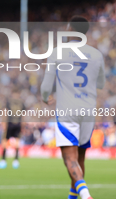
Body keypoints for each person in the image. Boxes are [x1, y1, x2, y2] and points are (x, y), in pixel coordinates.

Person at [41, 16, 105, 199]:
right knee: (80, 157)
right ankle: (73, 196)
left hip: (67, 110)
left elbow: (46, 86)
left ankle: (85, 195)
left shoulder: (58, 52)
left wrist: (46, 98)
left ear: (69, 30)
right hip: (88, 110)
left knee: (70, 158)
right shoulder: (96, 54)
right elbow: (100, 83)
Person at [0, 89, 24, 169]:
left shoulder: (9, 101)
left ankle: (3, 161)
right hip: (18, 124)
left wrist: (4, 123)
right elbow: (23, 115)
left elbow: (5, 112)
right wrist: (22, 125)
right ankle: (16, 161)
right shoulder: (21, 103)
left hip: (9, 123)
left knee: (4, 141)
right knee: (17, 142)